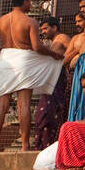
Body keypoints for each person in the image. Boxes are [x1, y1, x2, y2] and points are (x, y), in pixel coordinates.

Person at [0, 0, 64, 152]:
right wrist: (53, 54)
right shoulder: (30, 22)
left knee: (1, 104)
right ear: (25, 1)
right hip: (24, 61)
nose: (30, 3)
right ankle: (25, 145)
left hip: (5, 60)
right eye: (29, 0)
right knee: (24, 104)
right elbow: (36, 47)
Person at [32, 16, 71, 149]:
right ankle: (43, 145)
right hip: (50, 79)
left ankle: (53, 145)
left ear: (55, 27)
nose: (43, 31)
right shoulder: (51, 43)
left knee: (51, 111)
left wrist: (63, 63)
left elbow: (75, 50)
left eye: (45, 28)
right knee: (43, 113)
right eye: (41, 29)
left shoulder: (62, 38)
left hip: (58, 78)